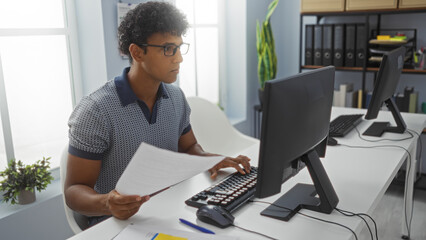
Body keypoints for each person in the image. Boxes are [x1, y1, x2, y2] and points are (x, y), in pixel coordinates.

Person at [64, 1, 251, 227]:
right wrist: (107, 203)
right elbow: (73, 192)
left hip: (168, 208)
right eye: (168, 49)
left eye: (180, 47)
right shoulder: (96, 110)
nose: (179, 58)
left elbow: (190, 148)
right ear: (137, 52)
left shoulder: (175, 97)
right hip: (114, 222)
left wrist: (213, 159)